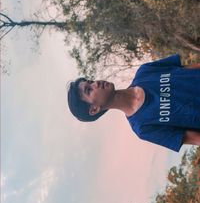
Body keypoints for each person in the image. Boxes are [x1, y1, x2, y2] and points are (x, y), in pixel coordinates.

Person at [67, 54, 200, 152]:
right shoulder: (142, 127)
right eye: (89, 90)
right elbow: (195, 139)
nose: (95, 83)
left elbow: (192, 67)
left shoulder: (145, 71)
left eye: (90, 81)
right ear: (94, 109)